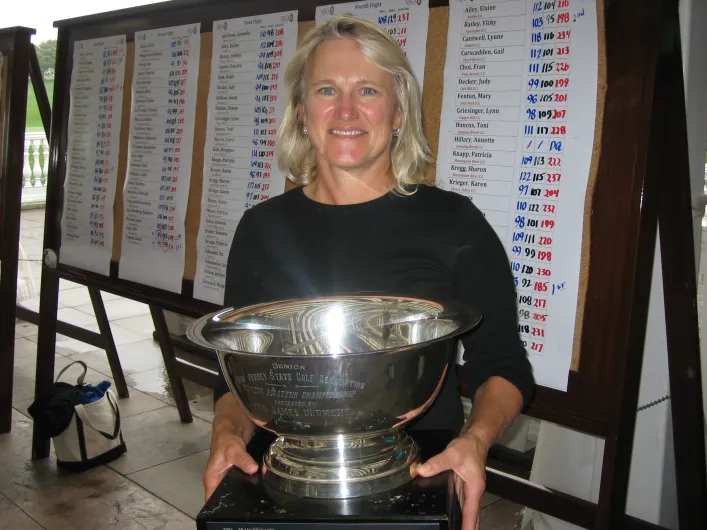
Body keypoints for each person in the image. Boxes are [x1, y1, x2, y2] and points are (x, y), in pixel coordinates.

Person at [205, 16, 535, 530]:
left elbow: (505, 367)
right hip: (284, 479)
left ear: (399, 111)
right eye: (325, 90)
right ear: (301, 112)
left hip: (417, 470)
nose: (345, 110)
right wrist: (226, 432)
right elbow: (239, 376)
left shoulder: (454, 223)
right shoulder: (260, 230)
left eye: (367, 90)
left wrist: (473, 441)